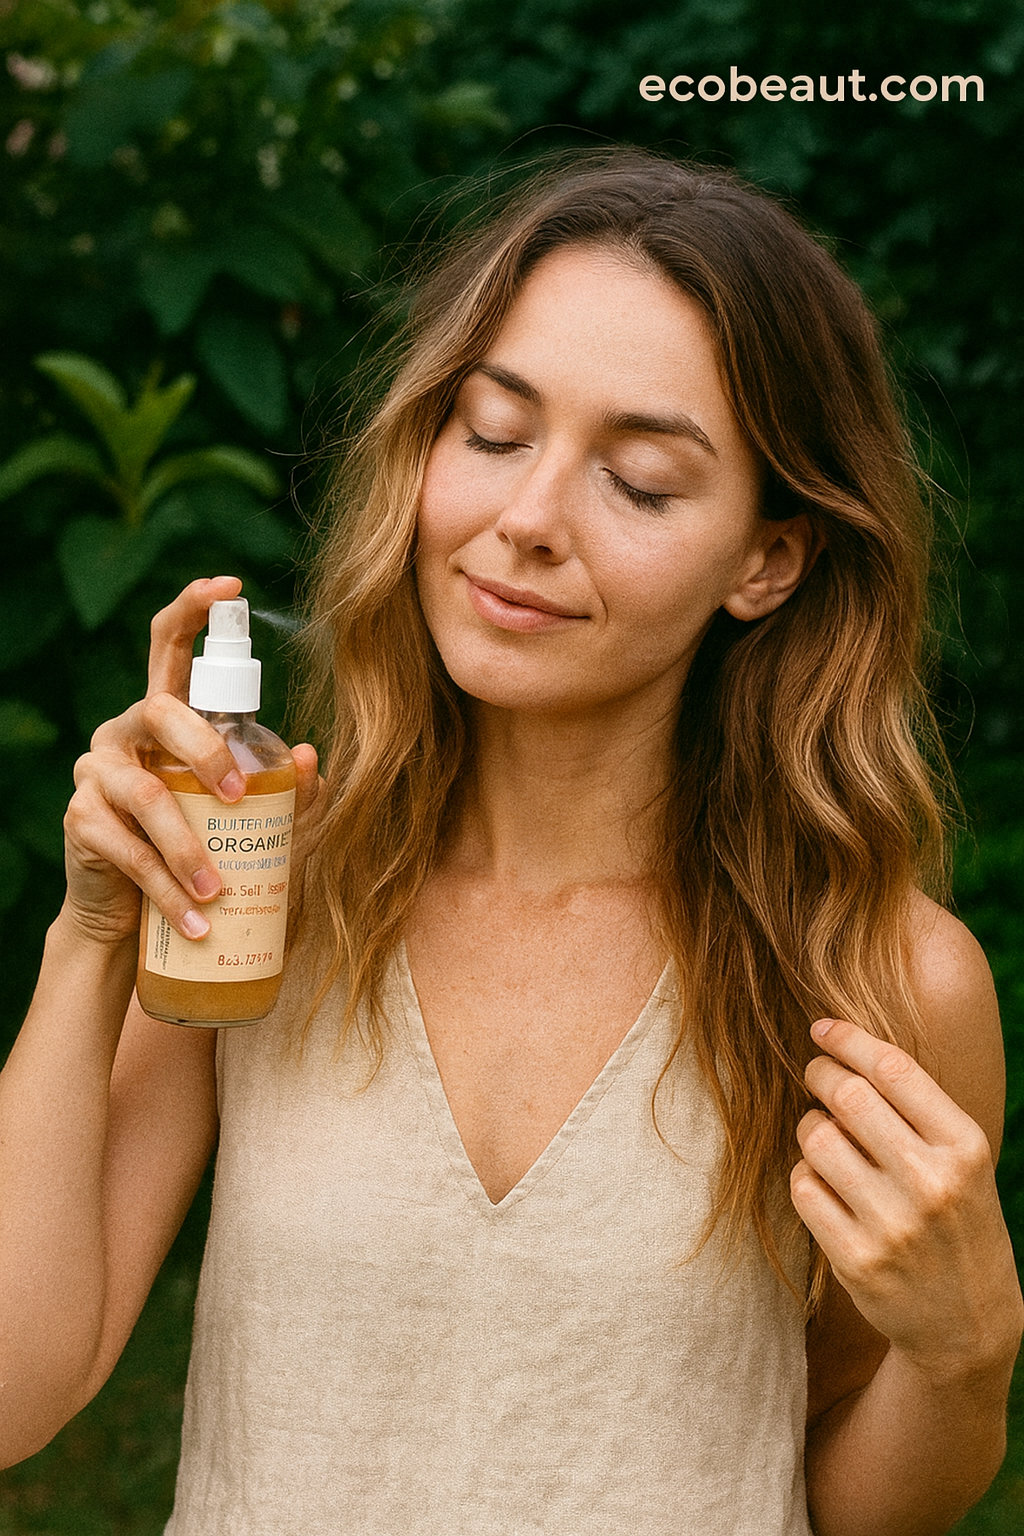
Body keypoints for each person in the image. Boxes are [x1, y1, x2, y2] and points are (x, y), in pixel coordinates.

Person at [0, 148, 1020, 1535]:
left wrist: (966, 1358)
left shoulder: (876, 981)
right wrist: (90, 939)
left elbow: (842, 1499)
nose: (525, 521)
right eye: (491, 432)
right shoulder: (247, 887)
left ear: (768, 560)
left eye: (642, 482)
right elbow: (17, 1389)